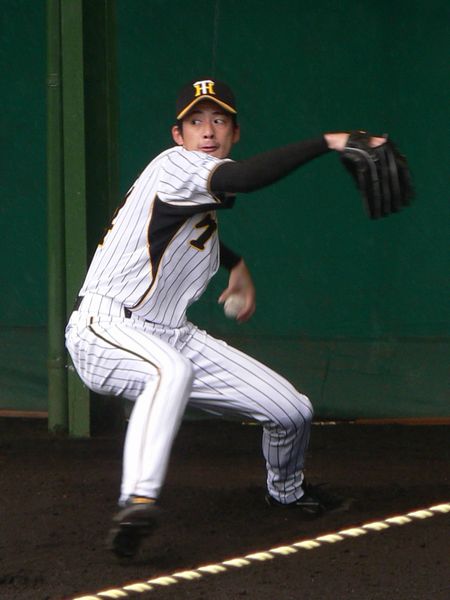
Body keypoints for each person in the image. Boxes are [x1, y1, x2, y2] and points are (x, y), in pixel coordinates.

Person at [65, 78, 384, 557]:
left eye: (219, 120)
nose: (208, 131)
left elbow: (186, 232)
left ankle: (287, 490)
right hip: (104, 329)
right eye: (195, 122)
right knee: (171, 371)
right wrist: (330, 142)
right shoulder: (174, 164)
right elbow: (247, 178)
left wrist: (235, 263)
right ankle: (138, 501)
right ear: (178, 136)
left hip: (170, 333)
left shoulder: (194, 194)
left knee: (291, 411)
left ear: (235, 133)